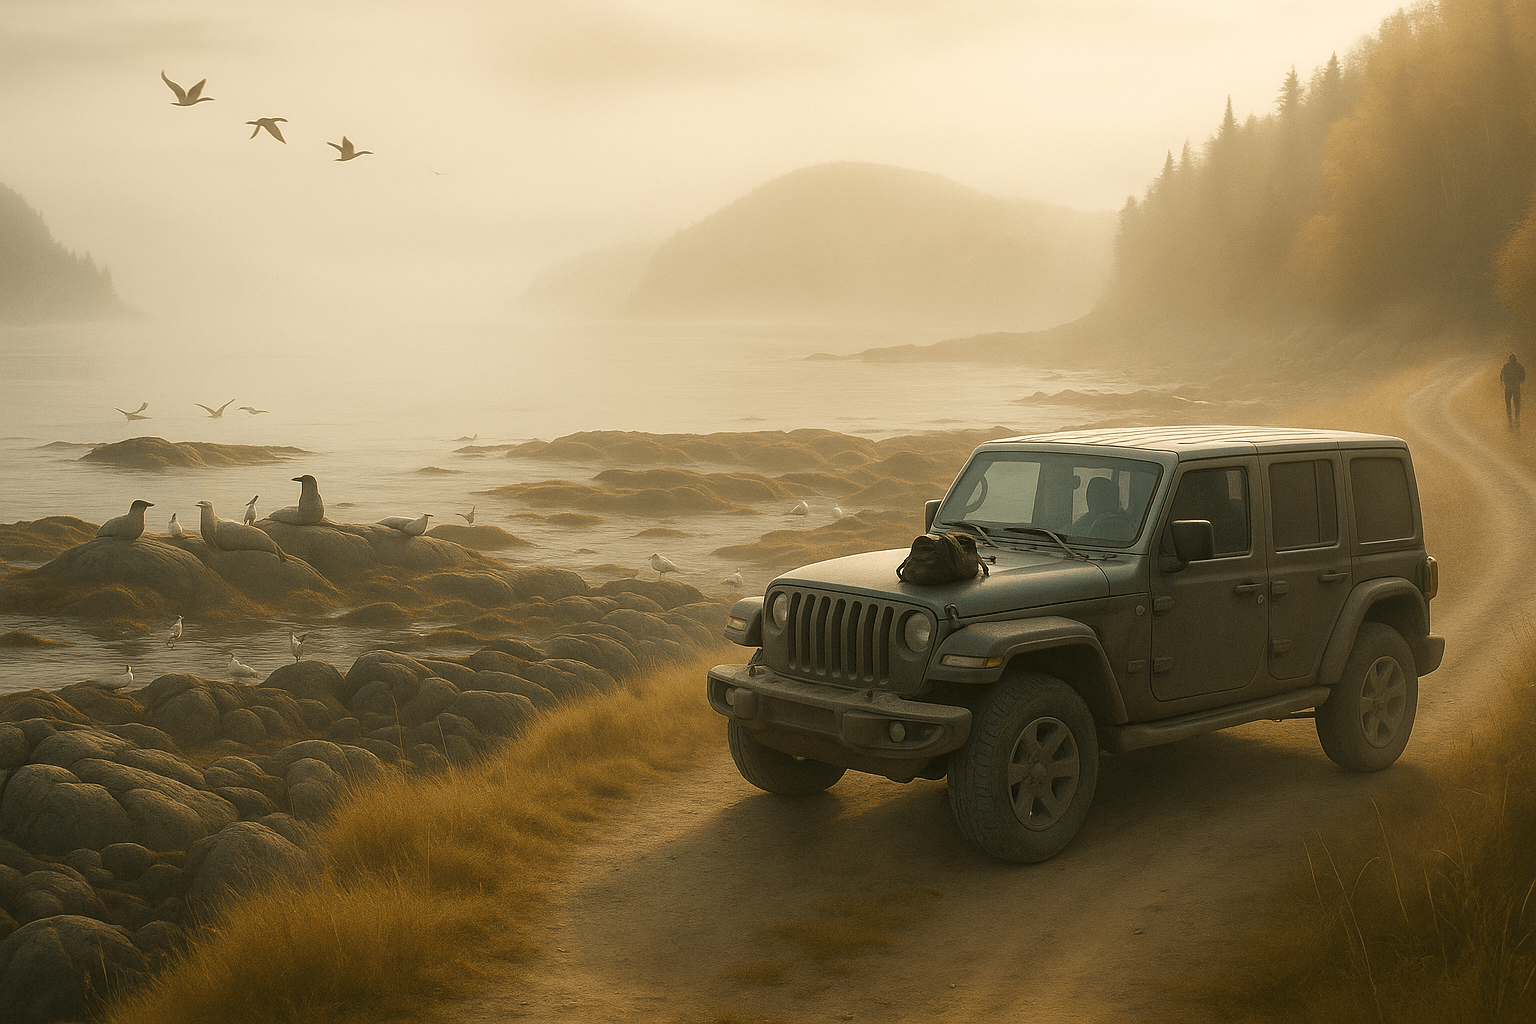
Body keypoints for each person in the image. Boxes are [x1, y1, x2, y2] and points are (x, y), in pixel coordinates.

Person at [1501, 353, 1526, 428]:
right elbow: (1523, 375)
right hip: (1514, 387)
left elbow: (1501, 376)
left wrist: (1504, 382)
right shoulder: (1517, 366)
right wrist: (1520, 380)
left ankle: (1513, 420)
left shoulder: (1507, 366)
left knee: (1512, 403)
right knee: (1514, 403)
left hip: (1511, 387)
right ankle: (1513, 420)